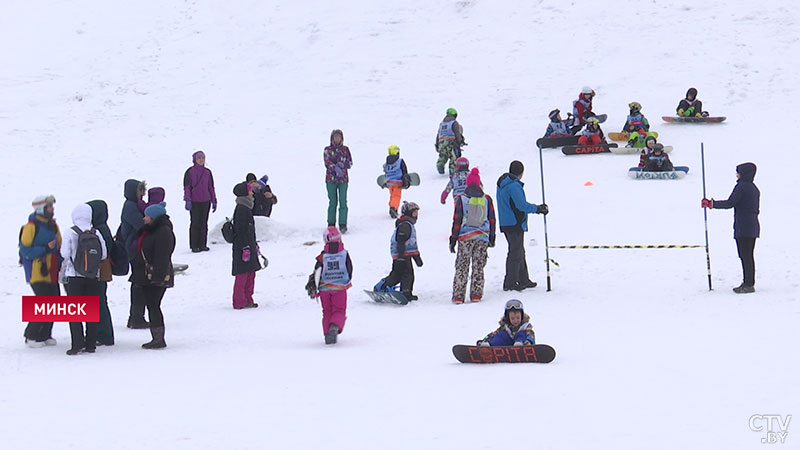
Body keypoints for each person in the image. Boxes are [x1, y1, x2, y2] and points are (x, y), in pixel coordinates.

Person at [701, 163, 760, 293]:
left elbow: (730, 203)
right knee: (748, 255)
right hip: (752, 225)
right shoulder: (754, 188)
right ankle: (748, 282)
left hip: (743, 226)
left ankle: (748, 284)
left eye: (738, 172)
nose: (737, 175)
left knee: (745, 255)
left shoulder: (741, 187)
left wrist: (712, 204)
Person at [61, 204, 107, 355]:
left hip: (74, 277)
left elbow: (65, 253)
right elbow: (103, 255)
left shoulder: (70, 232)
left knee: (74, 312)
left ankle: (76, 344)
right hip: (93, 276)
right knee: (91, 311)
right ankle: (91, 344)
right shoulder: (96, 232)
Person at [496, 161, 548, 291]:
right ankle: (510, 282)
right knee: (515, 252)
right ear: (521, 173)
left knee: (519, 250)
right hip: (514, 222)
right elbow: (521, 205)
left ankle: (523, 278)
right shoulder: (513, 186)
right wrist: (537, 209)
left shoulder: (503, 184)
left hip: (507, 221)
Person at [130, 202, 176, 349]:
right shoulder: (151, 230)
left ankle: (158, 339)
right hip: (147, 275)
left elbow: (162, 257)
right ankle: (156, 337)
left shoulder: (163, 232)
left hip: (156, 276)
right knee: (152, 305)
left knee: (153, 305)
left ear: (154, 217)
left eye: (147, 216)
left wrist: (157, 277)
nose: (144, 219)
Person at [449, 168, 496, 304]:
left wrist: (453, 239)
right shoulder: (487, 199)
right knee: (478, 266)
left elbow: (457, 220)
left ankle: (458, 295)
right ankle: (476, 294)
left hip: (465, 238)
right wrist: (491, 237)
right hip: (482, 237)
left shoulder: (461, 199)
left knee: (462, 266)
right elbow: (492, 219)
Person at [19, 195, 61, 348]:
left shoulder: (53, 225)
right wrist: (45, 248)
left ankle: (45, 335)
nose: (52, 209)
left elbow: (59, 244)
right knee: (43, 302)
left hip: (52, 271)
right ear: (41, 209)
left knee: (55, 302)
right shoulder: (31, 226)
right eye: (49, 207)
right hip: (37, 272)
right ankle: (31, 335)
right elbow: (25, 251)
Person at [374, 201, 423, 302]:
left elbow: (412, 246)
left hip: (403, 255)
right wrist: (401, 256)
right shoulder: (405, 226)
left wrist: (417, 258)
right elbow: (400, 240)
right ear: (409, 213)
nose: (416, 216)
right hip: (402, 255)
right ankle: (405, 292)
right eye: (414, 213)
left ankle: (382, 286)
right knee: (408, 274)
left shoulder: (408, 225)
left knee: (397, 275)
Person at [313, 227, 353, 344]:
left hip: (324, 288)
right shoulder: (344, 254)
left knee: (326, 311)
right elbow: (349, 269)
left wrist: (315, 287)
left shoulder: (322, 256)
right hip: (340, 288)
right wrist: (346, 280)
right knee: (339, 310)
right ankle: (334, 326)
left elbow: (317, 271)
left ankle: (327, 334)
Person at [119, 179, 149, 329]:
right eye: (140, 191)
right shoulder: (131, 207)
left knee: (139, 282)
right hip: (134, 249)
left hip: (134, 247)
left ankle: (136, 316)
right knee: (139, 282)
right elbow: (141, 225)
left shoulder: (132, 205)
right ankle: (136, 317)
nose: (142, 194)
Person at [87, 200, 116, 346]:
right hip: (101, 271)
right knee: (100, 302)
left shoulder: (100, 230)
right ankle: (103, 333)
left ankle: (104, 335)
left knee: (99, 302)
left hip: (99, 271)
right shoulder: (102, 228)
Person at [231, 182, 262, 309]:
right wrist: (245, 247)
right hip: (243, 248)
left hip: (249, 245)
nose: (252, 192)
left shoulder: (247, 207)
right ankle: (239, 301)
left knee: (250, 273)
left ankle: (248, 298)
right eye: (250, 190)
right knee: (242, 275)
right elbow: (240, 230)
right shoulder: (241, 209)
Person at [183, 150, 218, 252]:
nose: (201, 160)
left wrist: (214, 199)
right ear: (195, 159)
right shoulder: (190, 172)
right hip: (194, 201)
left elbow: (211, 187)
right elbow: (187, 187)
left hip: (206, 200)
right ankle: (194, 245)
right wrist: (187, 199)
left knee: (204, 223)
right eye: (199, 158)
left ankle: (203, 244)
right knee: (195, 223)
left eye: (203, 158)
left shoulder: (208, 172)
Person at [324, 129, 353, 233]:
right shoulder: (327, 149)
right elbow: (327, 162)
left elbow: (350, 162)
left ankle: (342, 223)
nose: (337, 139)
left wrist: (343, 166)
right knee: (332, 202)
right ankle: (331, 223)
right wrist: (335, 168)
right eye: (335, 137)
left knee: (343, 201)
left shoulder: (345, 150)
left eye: (339, 136)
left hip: (343, 180)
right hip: (331, 180)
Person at [435, 108, 467, 175]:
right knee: (454, 157)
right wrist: (460, 141)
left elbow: (438, 134)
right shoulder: (454, 123)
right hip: (451, 142)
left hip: (442, 143)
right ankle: (452, 171)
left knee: (443, 155)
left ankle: (440, 164)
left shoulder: (442, 124)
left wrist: (437, 144)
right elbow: (457, 133)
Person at [382, 144, 410, 218]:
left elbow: (385, 172)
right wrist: (406, 179)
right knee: (397, 196)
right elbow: (404, 170)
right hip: (397, 182)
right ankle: (393, 208)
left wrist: (385, 182)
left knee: (392, 196)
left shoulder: (386, 163)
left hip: (389, 182)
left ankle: (392, 207)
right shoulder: (400, 161)